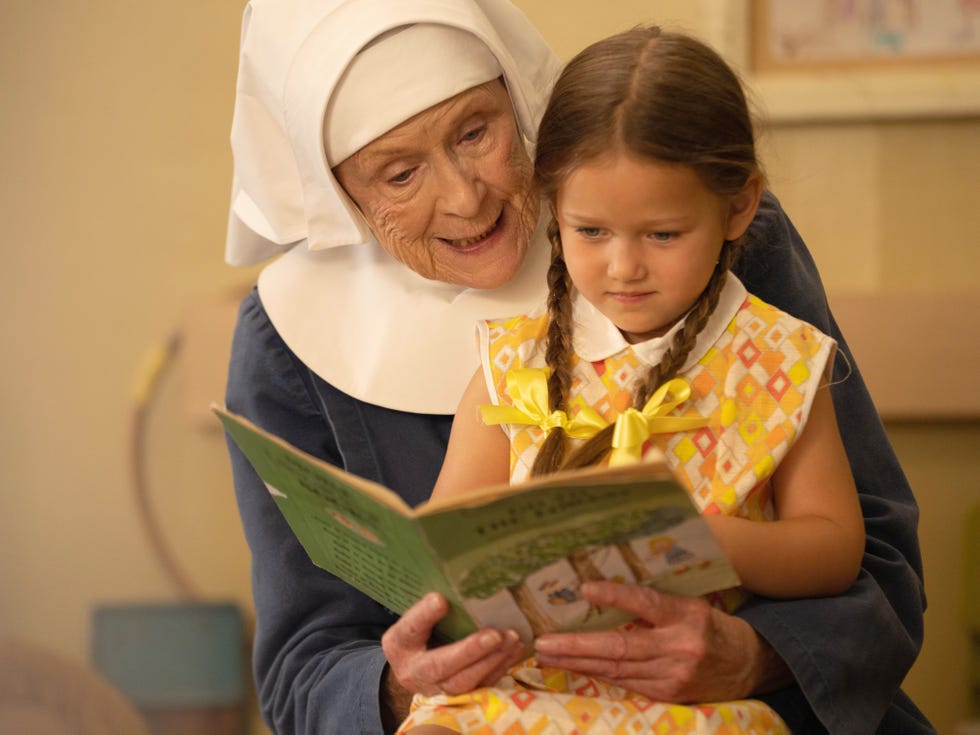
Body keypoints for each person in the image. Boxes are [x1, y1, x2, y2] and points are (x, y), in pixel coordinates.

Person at [221, 1, 931, 733]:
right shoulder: (287, 337)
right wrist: (407, 683)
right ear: (340, 192)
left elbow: (875, 559)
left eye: (476, 132)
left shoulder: (706, 227)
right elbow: (302, 667)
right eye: (400, 173)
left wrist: (755, 655)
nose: (466, 197)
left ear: (516, 97)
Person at [398, 27, 867, 734]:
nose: (623, 267)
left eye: (662, 234)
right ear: (554, 208)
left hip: (687, 700)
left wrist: (713, 540)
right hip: (521, 695)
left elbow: (835, 546)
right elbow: (444, 545)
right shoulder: (511, 364)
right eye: (590, 232)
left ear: (739, 206)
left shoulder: (780, 359)